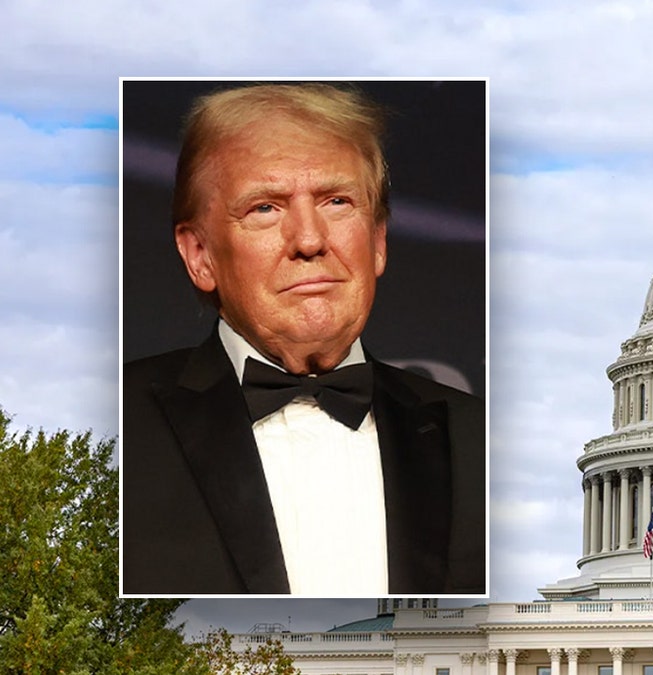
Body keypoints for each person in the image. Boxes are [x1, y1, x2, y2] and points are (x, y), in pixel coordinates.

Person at [121, 83, 485, 596]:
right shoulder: (113, 429)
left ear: (378, 239)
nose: (310, 241)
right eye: (265, 208)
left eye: (337, 202)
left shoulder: (479, 442)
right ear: (200, 254)